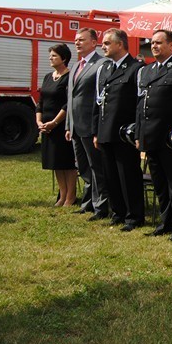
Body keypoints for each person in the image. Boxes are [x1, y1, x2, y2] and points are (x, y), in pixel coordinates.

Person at [135, 30, 172, 240]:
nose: (154, 46)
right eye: (152, 43)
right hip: (151, 135)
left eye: (159, 43)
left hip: (170, 136)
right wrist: (139, 133)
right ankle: (165, 221)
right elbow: (142, 104)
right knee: (159, 182)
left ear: (171, 45)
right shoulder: (147, 70)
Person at [92, 28, 145, 231]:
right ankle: (118, 212)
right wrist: (96, 131)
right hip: (106, 131)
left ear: (120, 44)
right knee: (110, 175)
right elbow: (97, 102)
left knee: (128, 176)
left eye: (107, 43)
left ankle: (134, 215)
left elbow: (140, 104)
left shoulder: (135, 68)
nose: (103, 46)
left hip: (124, 132)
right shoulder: (104, 69)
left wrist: (137, 132)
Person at [66, 28, 109, 220]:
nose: (77, 43)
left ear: (94, 42)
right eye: (75, 40)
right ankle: (88, 203)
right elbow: (70, 97)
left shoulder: (101, 64)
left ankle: (101, 206)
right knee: (83, 167)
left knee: (96, 167)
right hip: (76, 126)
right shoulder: (75, 66)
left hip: (90, 125)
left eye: (81, 40)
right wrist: (68, 125)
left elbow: (100, 98)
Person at [37, 43, 77, 207]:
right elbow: (41, 102)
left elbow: (68, 104)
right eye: (50, 55)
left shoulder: (70, 77)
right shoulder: (47, 77)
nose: (50, 58)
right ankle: (62, 195)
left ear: (64, 58)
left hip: (61, 125)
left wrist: (54, 122)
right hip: (47, 127)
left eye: (54, 55)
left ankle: (70, 196)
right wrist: (39, 122)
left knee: (66, 162)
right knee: (55, 163)